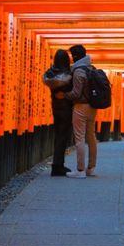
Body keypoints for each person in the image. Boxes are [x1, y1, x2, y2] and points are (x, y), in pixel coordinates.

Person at [55, 44, 97, 178]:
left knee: (79, 138)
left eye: (72, 56)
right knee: (91, 138)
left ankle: (80, 170)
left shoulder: (79, 71)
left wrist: (64, 95)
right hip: (92, 107)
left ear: (76, 56)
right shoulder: (91, 68)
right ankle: (91, 168)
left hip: (81, 107)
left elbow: (76, 93)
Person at [42, 49, 73, 176]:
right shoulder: (68, 73)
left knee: (58, 136)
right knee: (63, 136)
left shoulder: (50, 73)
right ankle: (57, 166)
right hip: (66, 107)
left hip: (55, 106)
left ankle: (58, 164)